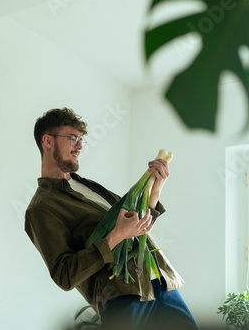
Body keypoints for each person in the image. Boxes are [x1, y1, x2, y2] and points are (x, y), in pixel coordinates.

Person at [25, 108, 199, 329]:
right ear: (47, 141)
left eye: (81, 140)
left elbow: (136, 228)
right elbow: (64, 275)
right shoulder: (42, 207)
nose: (79, 145)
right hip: (122, 295)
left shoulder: (87, 186)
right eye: (72, 138)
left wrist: (155, 191)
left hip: (160, 281)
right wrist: (116, 235)